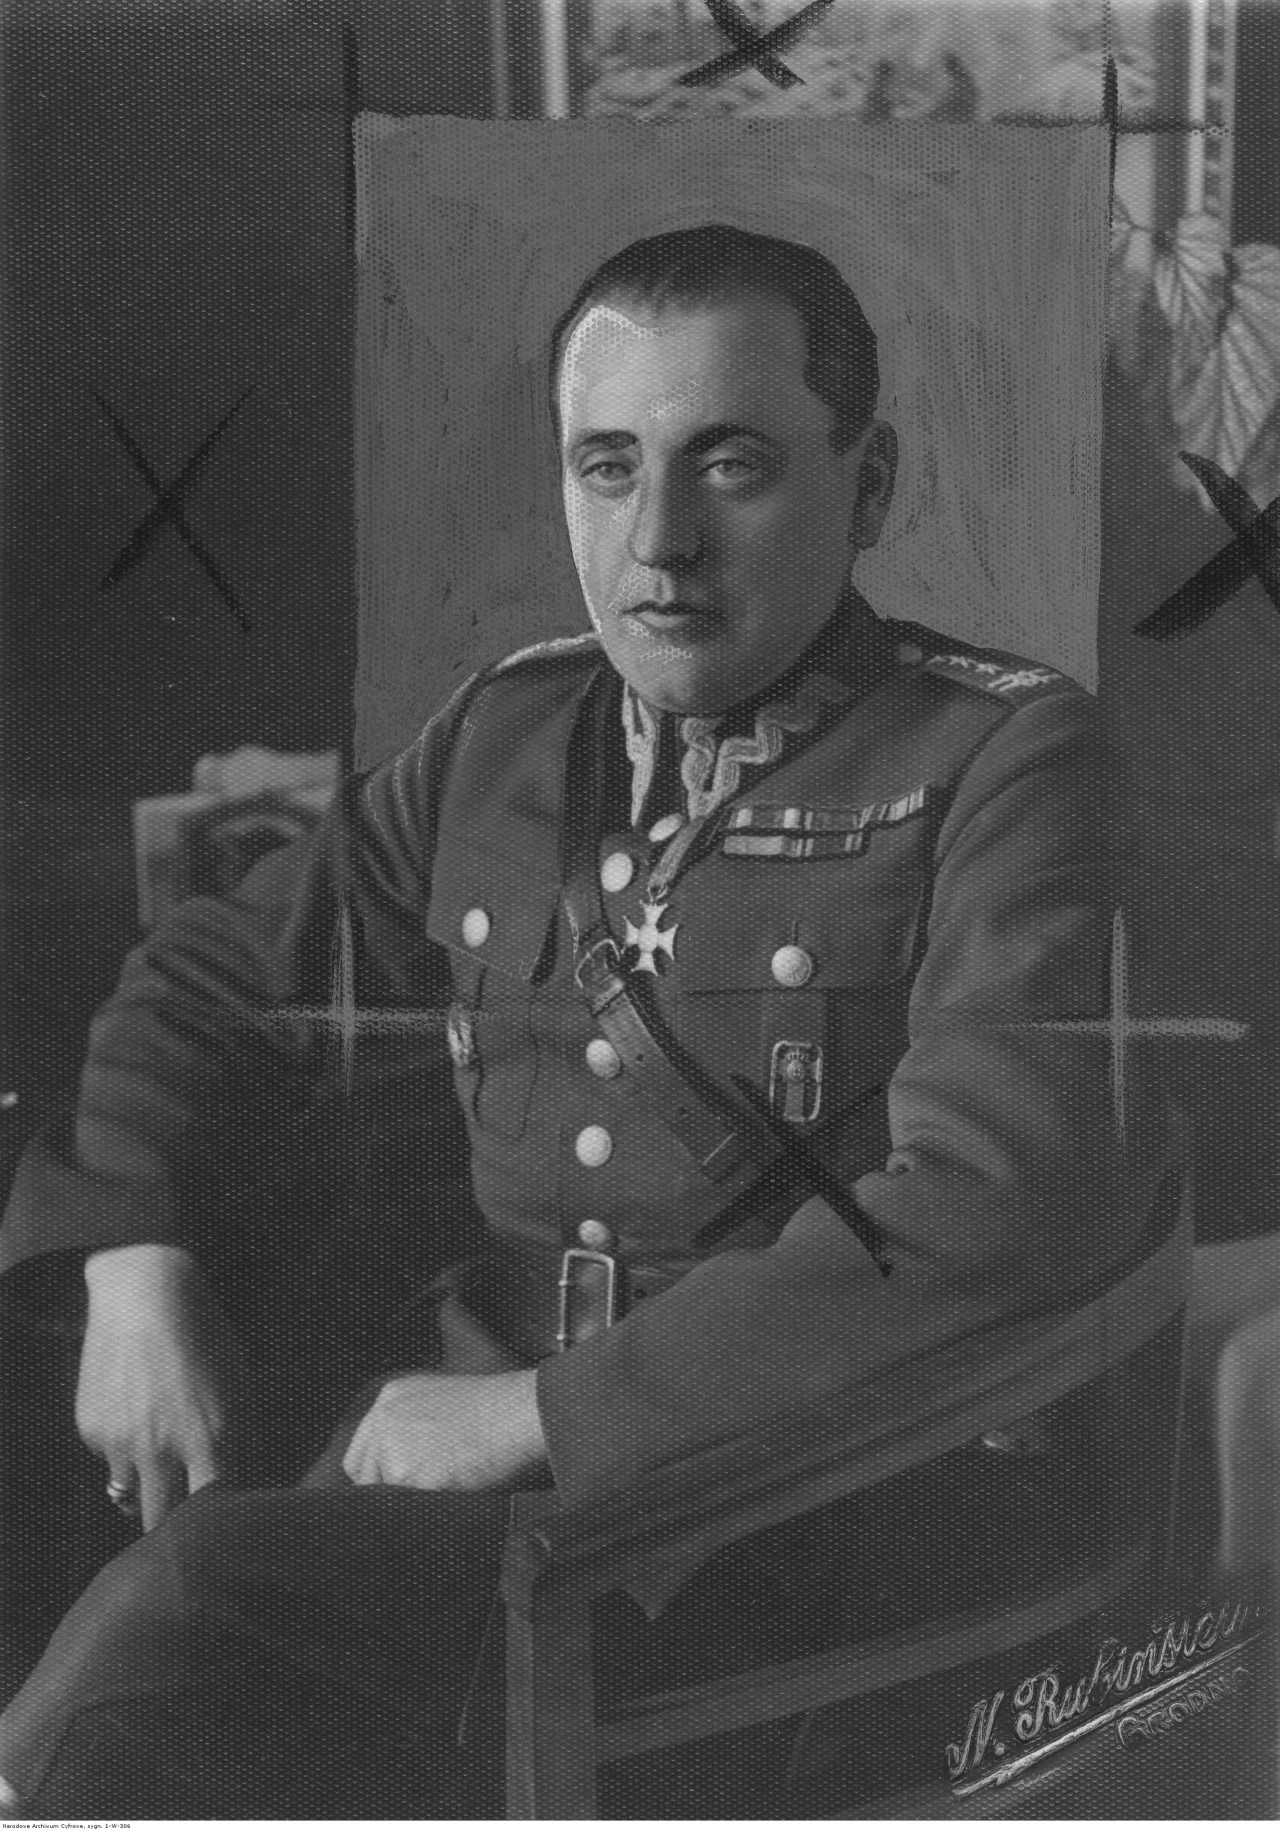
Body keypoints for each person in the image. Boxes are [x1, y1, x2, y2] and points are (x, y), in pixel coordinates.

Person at [0, 223, 1166, 1816]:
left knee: (178, 1627)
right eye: (608, 468)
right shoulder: (509, 730)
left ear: (870, 484)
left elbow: (987, 1210)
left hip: (789, 1511)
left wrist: (540, 1414)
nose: (658, 541)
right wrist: (132, 1254)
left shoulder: (1005, 763)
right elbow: (216, 975)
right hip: (466, 1468)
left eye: (731, 465)